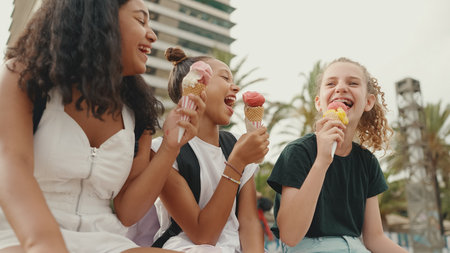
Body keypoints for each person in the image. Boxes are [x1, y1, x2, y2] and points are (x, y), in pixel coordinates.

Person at [0, 0, 205, 252]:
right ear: (99, 16)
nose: (151, 35)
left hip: (104, 240)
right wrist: (44, 244)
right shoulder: (23, 75)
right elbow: (11, 166)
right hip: (19, 234)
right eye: (141, 21)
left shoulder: (138, 112)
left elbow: (129, 213)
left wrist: (170, 146)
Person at [267, 57, 408, 253]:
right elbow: (289, 235)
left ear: (368, 102)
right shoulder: (298, 152)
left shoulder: (367, 162)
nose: (340, 88)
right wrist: (322, 161)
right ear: (318, 102)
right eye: (331, 83)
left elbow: (375, 238)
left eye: (352, 83)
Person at [144, 47, 269, 253]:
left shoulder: (237, 144)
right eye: (225, 77)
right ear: (197, 81)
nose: (235, 87)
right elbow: (203, 235)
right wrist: (237, 163)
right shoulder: (163, 151)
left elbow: (248, 223)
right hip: (187, 247)